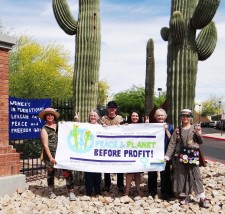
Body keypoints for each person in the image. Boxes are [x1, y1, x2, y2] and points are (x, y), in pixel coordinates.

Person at [164, 109, 209, 208]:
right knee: (181, 176)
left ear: (190, 118)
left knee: (196, 175)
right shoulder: (177, 130)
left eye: (188, 116)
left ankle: (202, 197)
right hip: (180, 157)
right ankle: (185, 196)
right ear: (181, 117)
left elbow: (200, 141)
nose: (185, 118)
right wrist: (167, 156)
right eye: (183, 116)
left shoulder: (195, 128)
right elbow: (172, 144)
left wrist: (198, 133)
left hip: (192, 156)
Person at [39, 107, 76, 201]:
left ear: (54, 116)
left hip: (62, 153)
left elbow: (70, 129)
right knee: (51, 173)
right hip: (50, 154)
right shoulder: (44, 129)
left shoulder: (60, 126)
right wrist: (51, 157)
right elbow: (45, 145)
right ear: (45, 117)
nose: (50, 116)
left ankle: (71, 191)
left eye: (52, 115)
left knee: (67, 172)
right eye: (48, 115)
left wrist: (75, 120)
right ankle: (51, 191)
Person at [148, 109, 174, 200]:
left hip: (165, 153)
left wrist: (166, 130)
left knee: (165, 173)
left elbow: (172, 140)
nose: (160, 117)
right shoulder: (151, 127)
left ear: (165, 116)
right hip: (154, 153)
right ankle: (152, 191)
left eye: (162, 115)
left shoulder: (170, 126)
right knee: (152, 173)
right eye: (158, 115)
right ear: (155, 117)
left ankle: (166, 192)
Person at [101, 101, 124, 193]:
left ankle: (120, 185)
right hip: (106, 145)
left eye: (113, 108)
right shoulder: (103, 119)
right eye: (110, 108)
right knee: (107, 165)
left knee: (119, 165)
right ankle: (107, 184)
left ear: (116, 109)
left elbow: (124, 131)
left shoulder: (120, 119)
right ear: (108, 109)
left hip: (117, 145)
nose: (112, 110)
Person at [124, 110, 143, 196]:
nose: (135, 117)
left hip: (140, 151)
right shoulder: (126, 126)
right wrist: (123, 127)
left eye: (136, 116)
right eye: (133, 116)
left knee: (138, 172)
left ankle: (137, 189)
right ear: (130, 117)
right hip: (129, 151)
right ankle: (127, 190)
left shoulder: (143, 126)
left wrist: (147, 124)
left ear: (139, 117)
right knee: (129, 171)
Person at [84, 110, 102, 196]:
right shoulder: (86, 126)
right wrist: (75, 120)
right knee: (88, 171)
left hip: (98, 152)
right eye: (91, 115)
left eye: (95, 116)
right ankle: (89, 190)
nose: (93, 117)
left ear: (98, 117)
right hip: (88, 151)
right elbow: (75, 128)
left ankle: (97, 190)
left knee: (97, 172)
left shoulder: (102, 127)